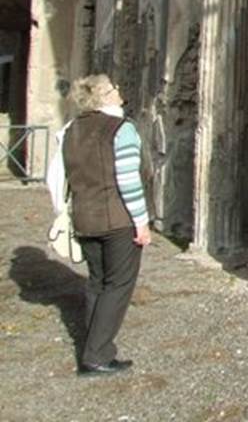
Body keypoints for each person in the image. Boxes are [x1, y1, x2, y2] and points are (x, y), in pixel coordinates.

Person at [46, 74, 151, 376]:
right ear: (104, 95)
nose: (119, 91)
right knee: (118, 285)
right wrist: (141, 223)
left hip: (84, 218)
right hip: (118, 221)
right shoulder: (121, 128)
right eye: (114, 88)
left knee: (96, 283)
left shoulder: (71, 129)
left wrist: (64, 210)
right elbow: (128, 181)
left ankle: (93, 347)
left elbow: (55, 179)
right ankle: (98, 355)